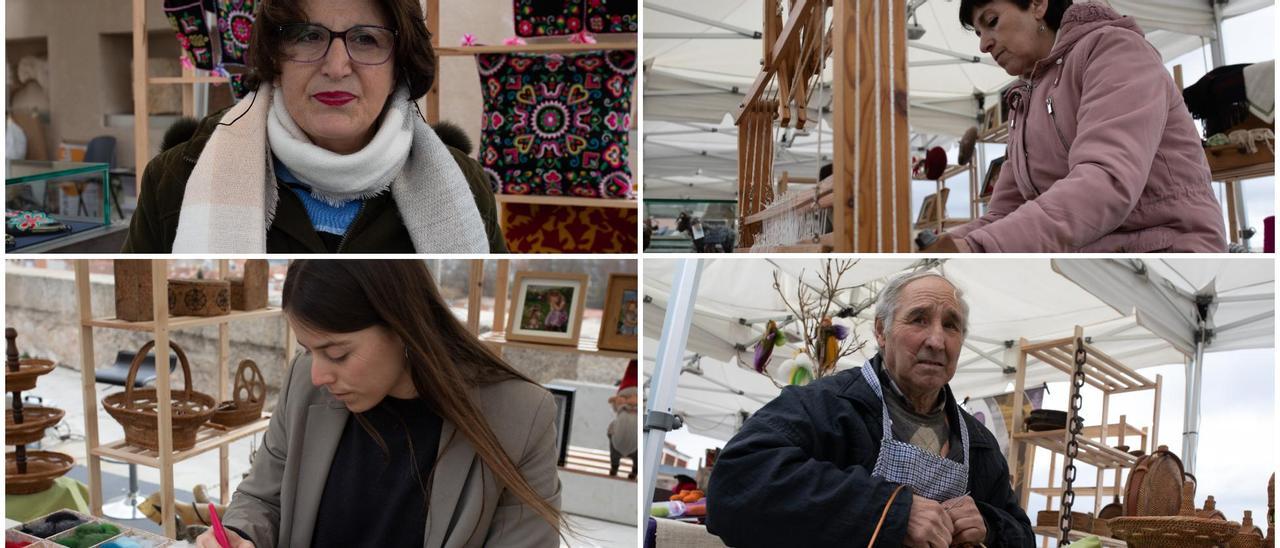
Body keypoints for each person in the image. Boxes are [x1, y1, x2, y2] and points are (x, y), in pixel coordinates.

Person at [195, 261, 561, 547]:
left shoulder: (521, 415)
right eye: (309, 351)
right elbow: (263, 498)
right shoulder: (304, 384)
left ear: (404, 328)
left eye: (336, 353)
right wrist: (240, 535)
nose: (319, 375)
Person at [124, 0, 506, 253]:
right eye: (308, 36)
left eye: (366, 39)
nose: (337, 67)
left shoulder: (464, 186)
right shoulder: (175, 181)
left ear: (400, 67)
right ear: (275, 59)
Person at [705, 271, 1034, 547]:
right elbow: (735, 484)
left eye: (951, 325)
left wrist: (990, 526)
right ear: (881, 331)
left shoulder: (979, 444)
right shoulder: (829, 406)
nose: (937, 340)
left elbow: (1023, 536)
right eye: (918, 319)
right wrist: (892, 512)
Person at [923, 0, 1226, 253]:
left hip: (1170, 251)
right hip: (1096, 257)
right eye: (978, 32)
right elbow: (1004, 213)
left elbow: (1106, 183)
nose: (984, 44)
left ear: (1038, 4)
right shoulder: (1024, 100)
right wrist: (944, 245)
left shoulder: (1115, 50)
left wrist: (979, 248)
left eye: (992, 21)